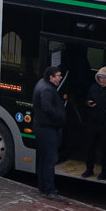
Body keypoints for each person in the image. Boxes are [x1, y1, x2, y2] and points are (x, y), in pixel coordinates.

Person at [32, 66, 65, 201]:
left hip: (42, 127)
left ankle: (42, 186)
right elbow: (47, 107)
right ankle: (49, 190)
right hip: (47, 129)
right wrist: (59, 116)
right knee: (50, 159)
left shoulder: (42, 83)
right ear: (51, 77)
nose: (60, 77)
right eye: (58, 75)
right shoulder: (46, 89)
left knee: (44, 158)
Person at [81, 66, 106, 180]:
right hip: (92, 122)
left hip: (104, 124)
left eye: (104, 77)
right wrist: (88, 103)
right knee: (90, 147)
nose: (102, 80)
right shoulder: (93, 87)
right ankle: (89, 169)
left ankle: (104, 171)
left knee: (105, 149)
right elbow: (88, 99)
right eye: (100, 77)